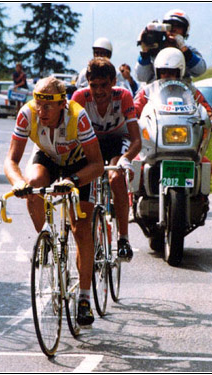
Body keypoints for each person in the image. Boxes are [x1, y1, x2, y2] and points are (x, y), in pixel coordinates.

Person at [4, 77, 104, 327]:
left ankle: (83, 298)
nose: (42, 111)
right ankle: (46, 237)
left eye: (48, 106)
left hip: (80, 164)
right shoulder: (27, 114)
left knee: (80, 228)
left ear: (63, 104)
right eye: (38, 104)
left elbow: (98, 165)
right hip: (48, 157)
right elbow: (10, 161)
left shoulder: (77, 117)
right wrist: (18, 182)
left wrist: (72, 180)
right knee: (33, 184)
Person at [72, 58, 141, 261]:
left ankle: (123, 238)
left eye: (104, 85)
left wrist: (126, 159)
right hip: (91, 143)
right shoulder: (80, 97)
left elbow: (136, 139)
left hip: (117, 141)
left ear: (113, 82)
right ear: (87, 83)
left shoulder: (124, 96)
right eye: (94, 86)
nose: (99, 91)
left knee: (115, 177)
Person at [134, 47, 212, 131]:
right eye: (163, 72)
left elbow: (206, 108)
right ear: (158, 72)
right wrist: (137, 123)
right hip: (156, 132)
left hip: (186, 131)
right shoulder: (148, 91)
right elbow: (134, 110)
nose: (166, 75)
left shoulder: (188, 90)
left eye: (171, 72)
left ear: (179, 72)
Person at [135, 9, 206, 83]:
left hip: (181, 91)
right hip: (157, 91)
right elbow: (142, 77)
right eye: (170, 25)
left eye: (178, 27)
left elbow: (200, 70)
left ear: (185, 31)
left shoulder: (189, 51)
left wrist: (184, 50)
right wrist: (145, 53)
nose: (173, 29)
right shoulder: (153, 49)